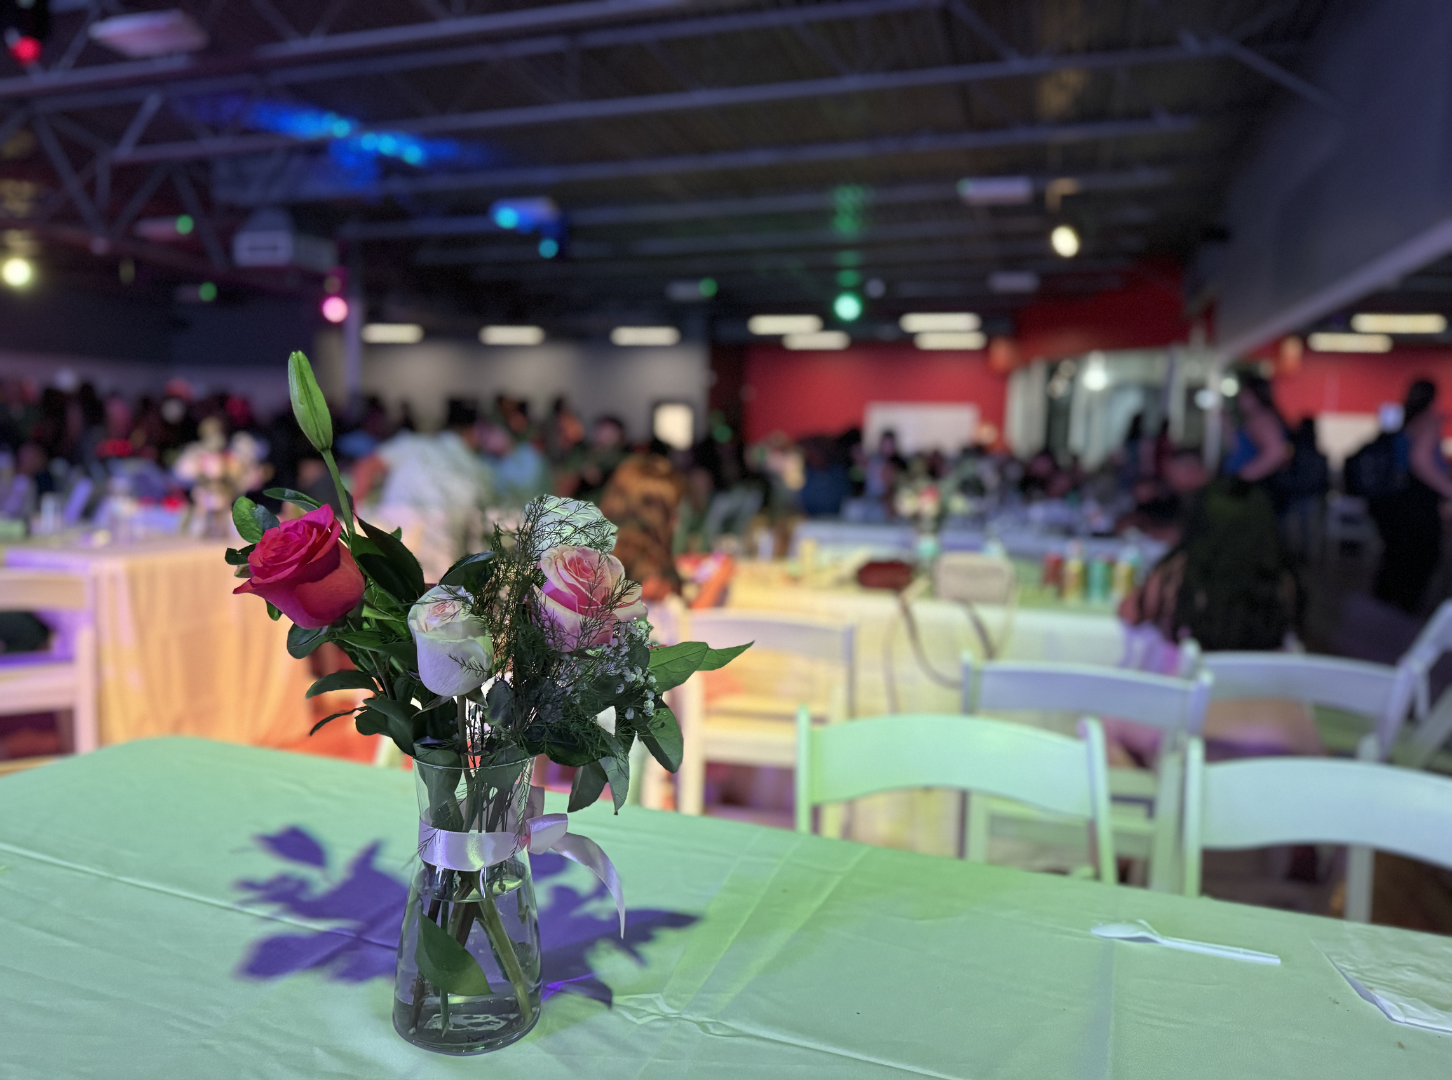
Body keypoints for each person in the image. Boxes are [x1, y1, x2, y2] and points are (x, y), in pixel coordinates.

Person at [351, 399, 494, 582]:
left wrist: (356, 519)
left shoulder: (412, 444)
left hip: (387, 553)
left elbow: (365, 468)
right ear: (474, 432)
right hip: (441, 569)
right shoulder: (481, 471)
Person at [1369, 379, 1452, 613]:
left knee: (1397, 558)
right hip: (1418, 501)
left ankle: (1384, 613)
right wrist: (1447, 489)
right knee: (1420, 559)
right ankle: (1402, 613)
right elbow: (1420, 460)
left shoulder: (1407, 419)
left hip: (1398, 499)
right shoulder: (1428, 420)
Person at [1222, 373, 1291, 488]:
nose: (1240, 398)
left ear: (1255, 396)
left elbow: (1276, 452)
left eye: (1245, 394)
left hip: (1250, 486)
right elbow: (1237, 445)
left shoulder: (1262, 419)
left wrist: (1246, 475)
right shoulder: (1254, 418)